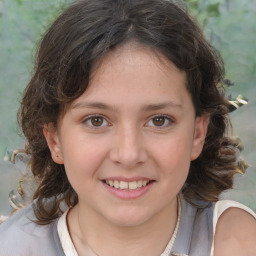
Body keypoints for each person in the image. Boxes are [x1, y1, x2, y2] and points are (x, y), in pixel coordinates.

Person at [0, 0, 255, 255]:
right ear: (55, 139)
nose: (129, 154)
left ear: (198, 134)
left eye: (159, 120)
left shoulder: (237, 243)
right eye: (96, 120)